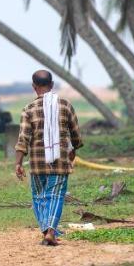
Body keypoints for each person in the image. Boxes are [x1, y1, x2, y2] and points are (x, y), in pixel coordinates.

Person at [14, 69, 83, 246]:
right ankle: (50, 232)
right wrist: (74, 148)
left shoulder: (28, 109)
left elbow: (23, 139)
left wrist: (18, 163)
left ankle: (47, 231)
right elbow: (75, 133)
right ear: (51, 85)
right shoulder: (65, 105)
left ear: (33, 87)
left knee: (39, 197)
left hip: (37, 164)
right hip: (60, 161)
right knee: (56, 195)